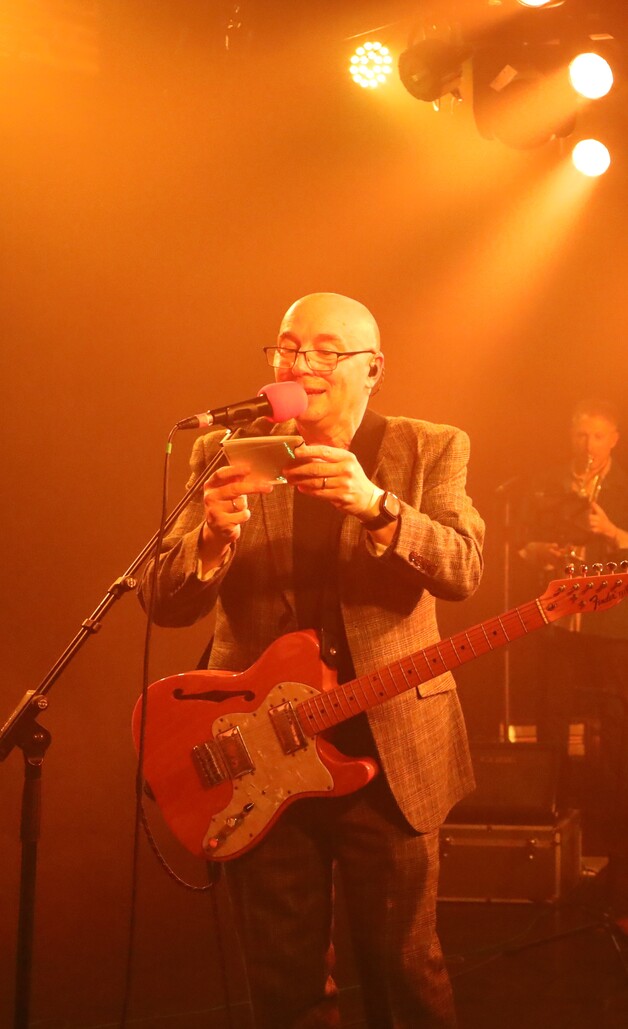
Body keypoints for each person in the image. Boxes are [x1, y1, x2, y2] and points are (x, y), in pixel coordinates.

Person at [140, 292, 485, 1028]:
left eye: (326, 351)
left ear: (372, 368)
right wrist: (209, 540)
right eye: (288, 348)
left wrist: (379, 506)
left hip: (390, 754)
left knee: (404, 971)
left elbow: (464, 570)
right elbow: (164, 602)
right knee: (284, 978)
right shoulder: (223, 451)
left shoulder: (429, 447)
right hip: (259, 756)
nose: (301, 364)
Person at [517, 397, 628, 931]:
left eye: (597, 437)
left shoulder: (624, 485)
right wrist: (538, 551)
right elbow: (520, 549)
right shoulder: (545, 484)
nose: (587, 446)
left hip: (612, 627)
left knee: (616, 728)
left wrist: (610, 532)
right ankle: (553, 826)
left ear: (614, 440)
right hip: (563, 618)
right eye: (580, 436)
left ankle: (614, 841)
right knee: (552, 717)